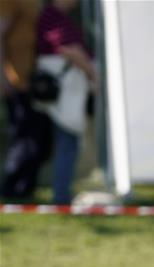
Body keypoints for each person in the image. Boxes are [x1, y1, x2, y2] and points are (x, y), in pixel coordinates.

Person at [33, 0, 96, 204]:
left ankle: (62, 193)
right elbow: (69, 50)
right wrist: (93, 74)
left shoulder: (58, 16)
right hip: (64, 94)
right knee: (67, 142)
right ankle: (61, 196)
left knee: (66, 142)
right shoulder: (52, 15)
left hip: (68, 93)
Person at [1, 0, 51, 199]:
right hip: (16, 82)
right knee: (24, 138)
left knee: (38, 138)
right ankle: (13, 190)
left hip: (35, 82)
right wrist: (2, 77)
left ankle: (26, 188)